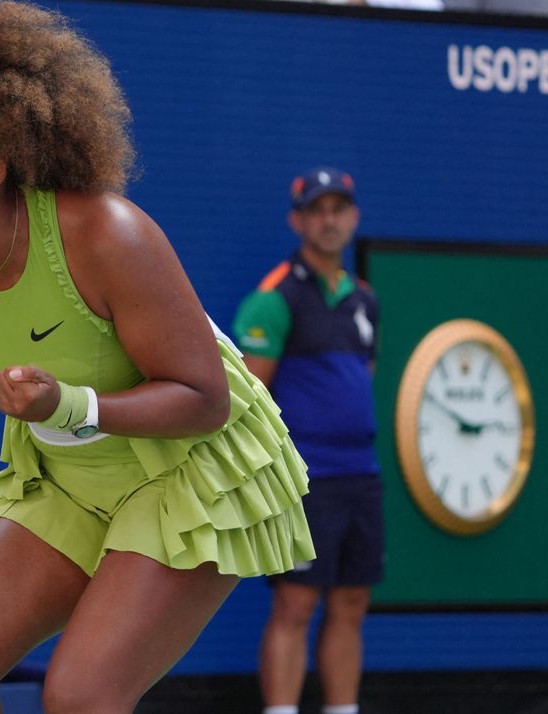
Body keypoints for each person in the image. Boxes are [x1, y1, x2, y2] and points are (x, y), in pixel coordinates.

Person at [0, 2, 315, 712]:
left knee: (81, 695)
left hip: (192, 475)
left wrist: (70, 405)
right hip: (68, 480)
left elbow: (205, 399)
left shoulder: (106, 235)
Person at [232, 168, 382, 714]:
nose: (329, 220)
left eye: (339, 209)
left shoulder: (365, 300)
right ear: (298, 221)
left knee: (351, 602)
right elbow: (248, 401)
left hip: (361, 475)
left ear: (354, 218)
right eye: (317, 210)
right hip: (305, 478)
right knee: (295, 604)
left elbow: (363, 380)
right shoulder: (273, 299)